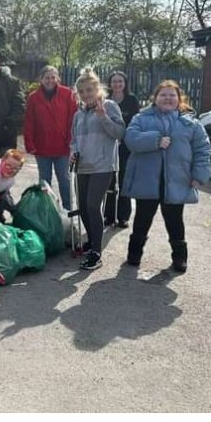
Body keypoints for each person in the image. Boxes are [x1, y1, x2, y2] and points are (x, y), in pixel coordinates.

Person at [122, 80, 211, 274]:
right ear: (155, 98)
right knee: (142, 218)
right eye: (163, 95)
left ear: (179, 99)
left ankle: (180, 258)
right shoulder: (141, 118)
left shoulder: (191, 124)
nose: (168, 98)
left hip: (176, 181)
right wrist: (155, 140)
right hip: (147, 180)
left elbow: (202, 150)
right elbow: (130, 139)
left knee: (175, 220)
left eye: (172, 95)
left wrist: (199, 175)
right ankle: (134, 254)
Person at [70, 69, 125, 271]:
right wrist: (73, 151)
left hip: (103, 166)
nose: (86, 94)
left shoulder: (109, 106)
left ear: (97, 89)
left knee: (93, 206)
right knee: (84, 207)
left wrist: (103, 118)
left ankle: (96, 252)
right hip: (83, 166)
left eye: (89, 90)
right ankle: (93, 241)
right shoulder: (78, 114)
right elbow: (74, 139)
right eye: (82, 91)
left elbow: (120, 133)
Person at [23, 65, 77, 212]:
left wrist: (72, 141)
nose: (50, 80)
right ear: (41, 79)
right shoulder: (33, 97)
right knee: (44, 182)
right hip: (42, 147)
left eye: (53, 77)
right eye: (47, 77)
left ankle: (68, 210)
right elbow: (29, 122)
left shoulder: (68, 94)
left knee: (65, 179)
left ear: (57, 78)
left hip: (63, 147)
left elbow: (73, 119)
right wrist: (29, 143)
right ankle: (48, 210)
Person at [104, 70, 140, 228]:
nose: (117, 84)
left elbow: (136, 123)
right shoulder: (105, 101)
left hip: (126, 146)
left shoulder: (132, 100)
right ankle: (109, 215)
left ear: (125, 84)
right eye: (114, 81)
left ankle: (123, 216)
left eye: (120, 81)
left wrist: (125, 138)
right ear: (110, 84)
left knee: (125, 180)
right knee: (109, 181)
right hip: (109, 145)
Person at [0, 148, 26, 222]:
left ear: (19, 170)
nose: (10, 169)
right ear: (2, 160)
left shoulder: (11, 181)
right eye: (8, 165)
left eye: (15, 168)